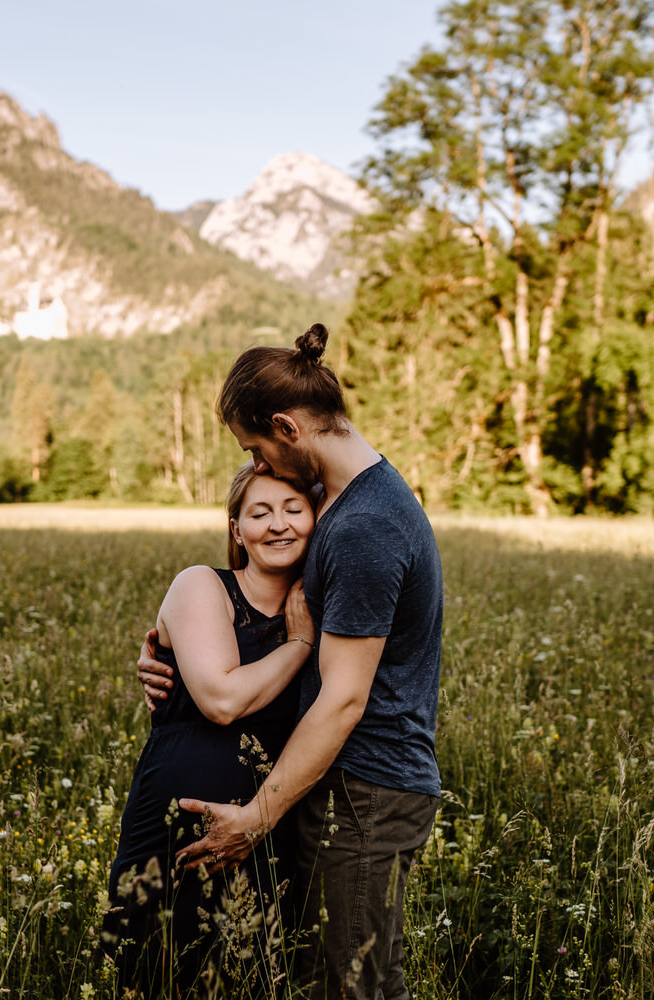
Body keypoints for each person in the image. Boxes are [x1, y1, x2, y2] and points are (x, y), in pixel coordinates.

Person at [138, 323, 443, 1000]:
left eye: (257, 449)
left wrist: (257, 816)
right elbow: (263, 606)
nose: (261, 466)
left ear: (287, 427)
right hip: (345, 784)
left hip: (366, 788)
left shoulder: (363, 525)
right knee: (347, 982)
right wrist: (167, 644)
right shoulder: (341, 501)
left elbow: (345, 698)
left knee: (346, 986)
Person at [104, 463, 319, 998]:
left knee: (250, 976)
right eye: (260, 513)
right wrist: (299, 645)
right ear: (236, 531)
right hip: (172, 826)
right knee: (154, 971)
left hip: (266, 827)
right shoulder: (202, 584)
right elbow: (221, 702)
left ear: (317, 520)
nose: (279, 524)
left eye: (294, 509)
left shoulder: (326, 606)